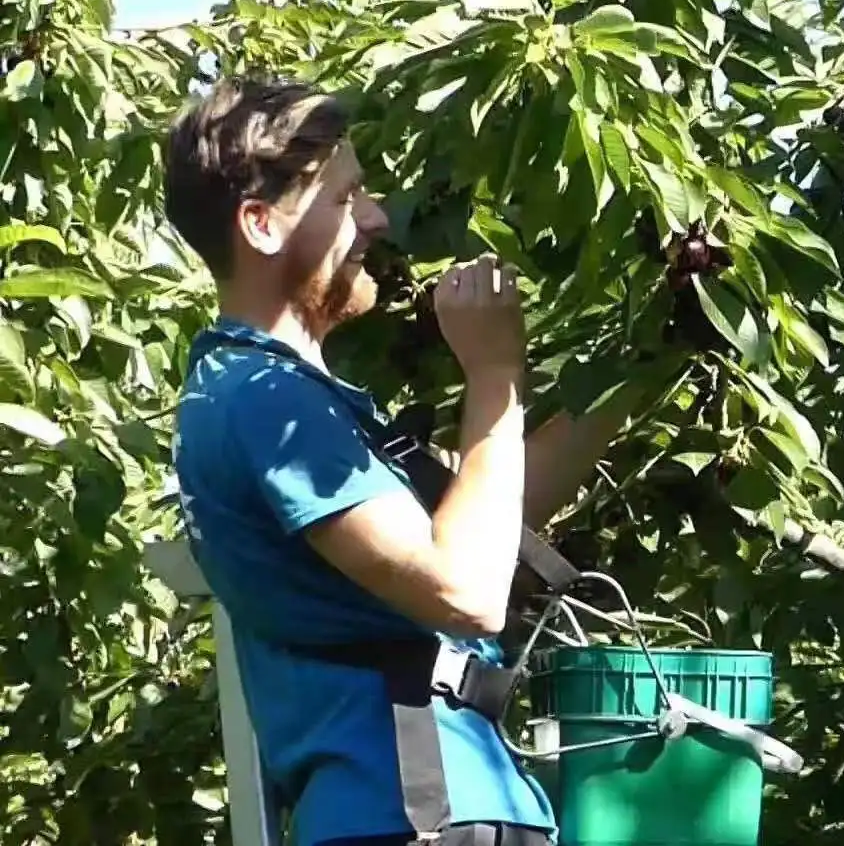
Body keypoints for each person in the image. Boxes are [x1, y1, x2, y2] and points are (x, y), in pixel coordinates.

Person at [163, 78, 642, 846]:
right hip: (407, 810)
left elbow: (492, 526)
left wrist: (646, 369)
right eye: (347, 198)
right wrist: (493, 377)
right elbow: (465, 591)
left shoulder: (302, 399)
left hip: (449, 802)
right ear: (261, 225)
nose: (377, 218)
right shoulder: (261, 402)